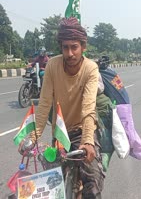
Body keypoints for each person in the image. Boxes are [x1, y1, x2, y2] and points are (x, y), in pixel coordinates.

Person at [28, 17, 105, 198]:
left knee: (92, 183)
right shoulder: (52, 66)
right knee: (53, 187)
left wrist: (87, 140)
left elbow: (88, 108)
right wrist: (33, 138)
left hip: (83, 130)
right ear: (60, 47)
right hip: (61, 132)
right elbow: (45, 104)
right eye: (65, 47)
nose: (70, 53)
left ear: (83, 47)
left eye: (74, 47)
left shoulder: (91, 68)